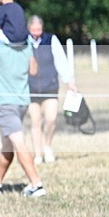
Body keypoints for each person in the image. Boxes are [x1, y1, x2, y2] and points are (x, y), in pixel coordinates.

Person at [0, 28, 46, 198]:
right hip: (22, 102)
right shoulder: (26, 42)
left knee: (18, 143)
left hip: (5, 104)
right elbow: (34, 70)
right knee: (7, 145)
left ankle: (36, 183)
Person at [27, 15, 77, 164]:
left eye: (39, 29)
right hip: (31, 88)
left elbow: (61, 61)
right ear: (29, 29)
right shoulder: (24, 42)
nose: (37, 32)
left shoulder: (51, 40)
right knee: (35, 122)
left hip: (50, 86)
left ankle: (47, 146)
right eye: (34, 29)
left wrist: (69, 82)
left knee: (51, 119)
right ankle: (38, 153)